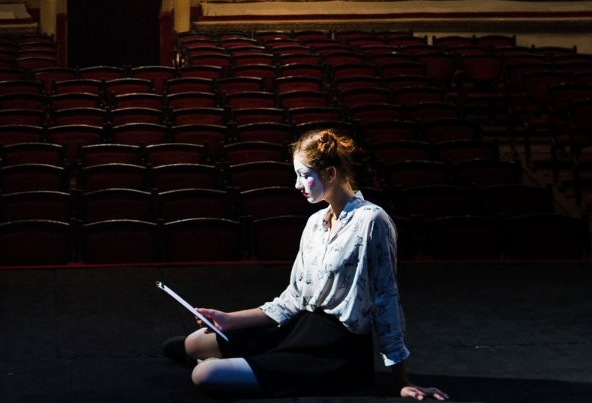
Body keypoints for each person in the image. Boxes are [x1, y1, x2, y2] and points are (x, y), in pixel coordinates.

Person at [167, 129, 448, 400]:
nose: (297, 185)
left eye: (304, 176)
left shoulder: (371, 221)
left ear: (330, 174)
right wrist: (230, 319)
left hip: (336, 348)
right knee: (193, 343)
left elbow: (386, 299)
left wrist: (403, 381)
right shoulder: (315, 222)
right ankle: (234, 359)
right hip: (301, 326)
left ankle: (230, 364)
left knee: (203, 374)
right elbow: (294, 297)